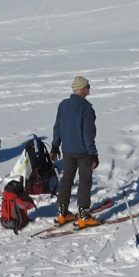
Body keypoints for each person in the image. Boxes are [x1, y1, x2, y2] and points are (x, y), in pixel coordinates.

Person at [51, 76, 100, 227]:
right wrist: (93, 154)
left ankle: (62, 213)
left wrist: (55, 146)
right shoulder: (86, 108)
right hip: (83, 152)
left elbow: (57, 127)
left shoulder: (63, 105)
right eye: (88, 86)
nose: (89, 88)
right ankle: (83, 216)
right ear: (83, 89)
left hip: (67, 151)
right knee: (85, 182)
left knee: (66, 180)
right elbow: (88, 134)